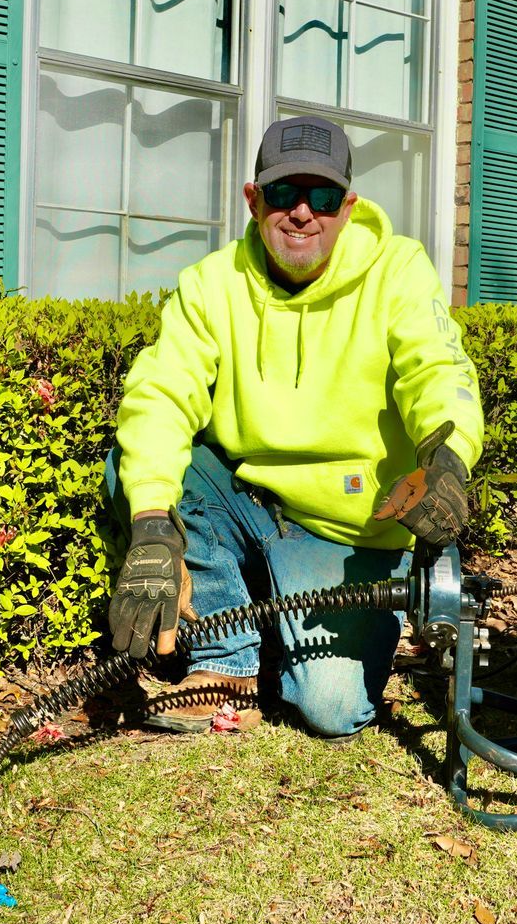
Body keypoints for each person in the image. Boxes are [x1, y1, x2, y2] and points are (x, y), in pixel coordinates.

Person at [106, 115, 484, 738]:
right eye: (283, 193)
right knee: (138, 465)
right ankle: (225, 664)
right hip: (245, 499)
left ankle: (274, 633)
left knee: (330, 710)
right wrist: (150, 524)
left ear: (348, 205)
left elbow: (437, 372)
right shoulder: (211, 285)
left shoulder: (398, 271)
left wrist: (446, 458)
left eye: (323, 197)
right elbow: (160, 394)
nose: (303, 212)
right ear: (254, 201)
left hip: (349, 534)